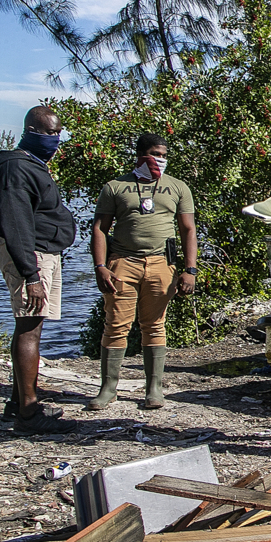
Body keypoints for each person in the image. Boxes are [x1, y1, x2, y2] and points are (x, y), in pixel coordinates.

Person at [0, 106, 78, 435]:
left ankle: (19, 401)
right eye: (49, 133)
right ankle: (28, 414)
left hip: (42, 253)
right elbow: (16, 224)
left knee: (30, 326)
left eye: (57, 133)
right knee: (29, 328)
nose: (55, 139)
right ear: (29, 131)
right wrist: (31, 275)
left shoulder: (31, 166)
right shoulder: (14, 169)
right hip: (31, 257)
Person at [87, 134, 198, 411]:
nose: (159, 159)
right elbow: (100, 229)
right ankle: (108, 389)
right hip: (123, 263)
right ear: (139, 155)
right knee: (115, 325)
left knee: (155, 325)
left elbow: (188, 230)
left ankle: (154, 389)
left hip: (162, 264)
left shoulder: (177, 187)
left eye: (163, 155)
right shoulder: (115, 187)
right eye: (153, 154)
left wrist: (190, 270)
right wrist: (100, 266)